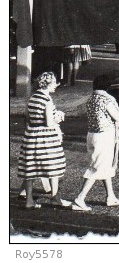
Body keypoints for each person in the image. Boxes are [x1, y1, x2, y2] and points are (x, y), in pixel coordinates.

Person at [18, 72, 69, 209]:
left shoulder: (32, 98)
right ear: (49, 84)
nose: (55, 87)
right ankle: (55, 198)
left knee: (30, 168)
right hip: (46, 137)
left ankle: (29, 200)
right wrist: (58, 117)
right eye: (54, 84)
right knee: (53, 167)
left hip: (31, 135)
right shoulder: (47, 100)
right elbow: (49, 122)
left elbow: (27, 119)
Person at [71, 75, 119, 211]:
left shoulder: (91, 99)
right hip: (104, 136)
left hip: (92, 134)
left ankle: (110, 196)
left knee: (102, 166)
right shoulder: (107, 100)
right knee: (97, 168)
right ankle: (80, 199)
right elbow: (117, 117)